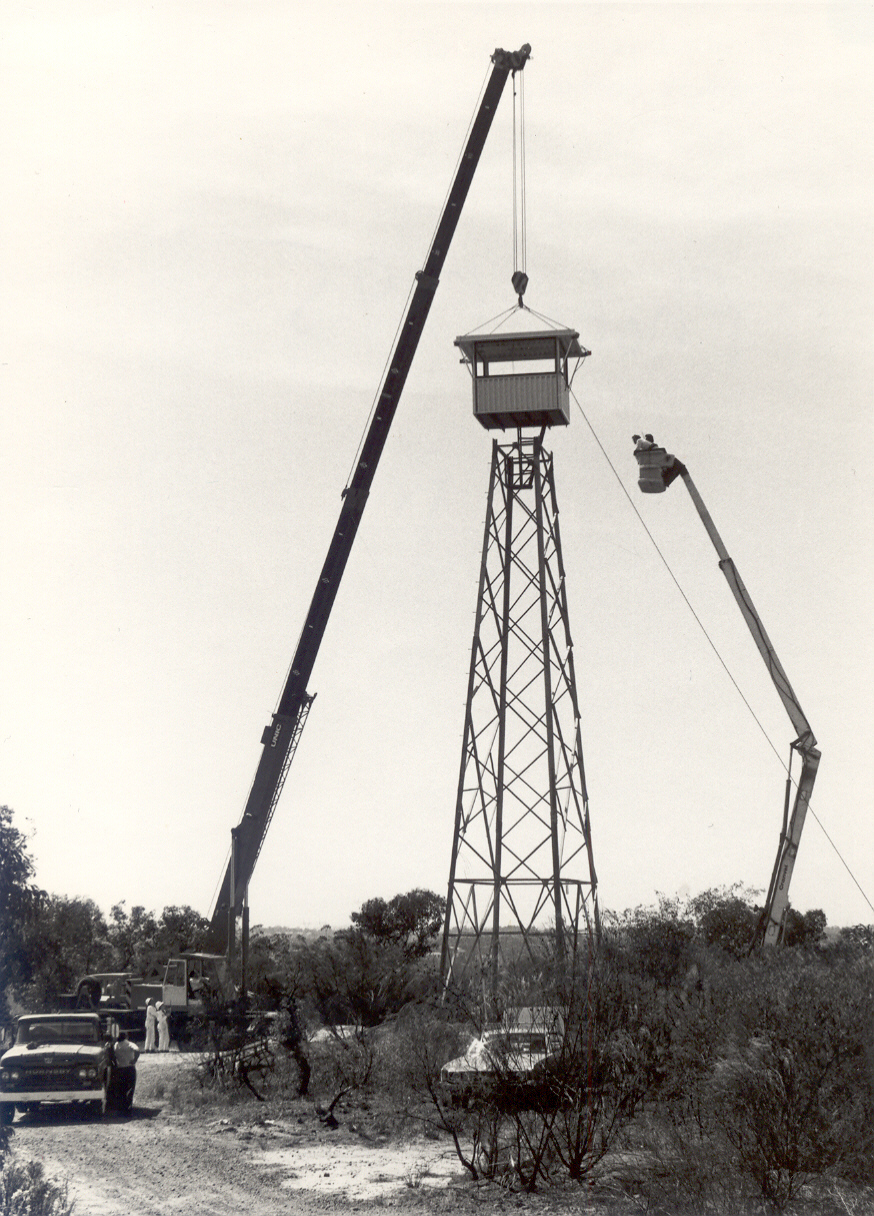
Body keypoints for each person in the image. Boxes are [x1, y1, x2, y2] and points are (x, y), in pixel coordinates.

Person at [111, 1032, 139, 1114]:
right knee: (130, 1088)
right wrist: (135, 1060)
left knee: (121, 1089)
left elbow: (112, 1055)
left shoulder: (116, 1045)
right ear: (126, 1037)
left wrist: (115, 1063)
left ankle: (121, 1109)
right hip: (129, 1067)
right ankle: (128, 1109)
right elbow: (137, 1050)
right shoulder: (129, 1043)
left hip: (120, 1068)